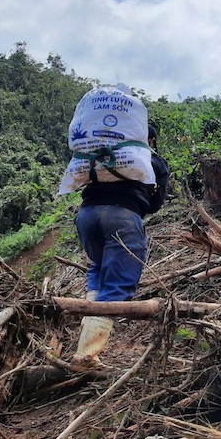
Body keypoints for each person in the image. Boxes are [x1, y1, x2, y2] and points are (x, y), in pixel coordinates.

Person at [70, 124, 169, 371]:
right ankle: (86, 357)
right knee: (117, 285)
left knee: (99, 268)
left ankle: (86, 339)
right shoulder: (152, 161)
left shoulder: (103, 153)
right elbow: (156, 203)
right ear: (151, 140)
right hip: (122, 218)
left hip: (86, 216)